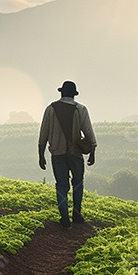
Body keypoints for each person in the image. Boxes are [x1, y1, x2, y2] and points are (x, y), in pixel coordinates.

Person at [39, 80, 97, 228]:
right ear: (74, 95)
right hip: (75, 153)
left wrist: (41, 154)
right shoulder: (80, 109)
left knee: (61, 186)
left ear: (62, 92)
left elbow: (43, 133)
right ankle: (76, 214)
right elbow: (89, 132)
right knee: (78, 184)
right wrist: (92, 152)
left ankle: (64, 217)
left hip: (57, 154)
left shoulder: (51, 109)